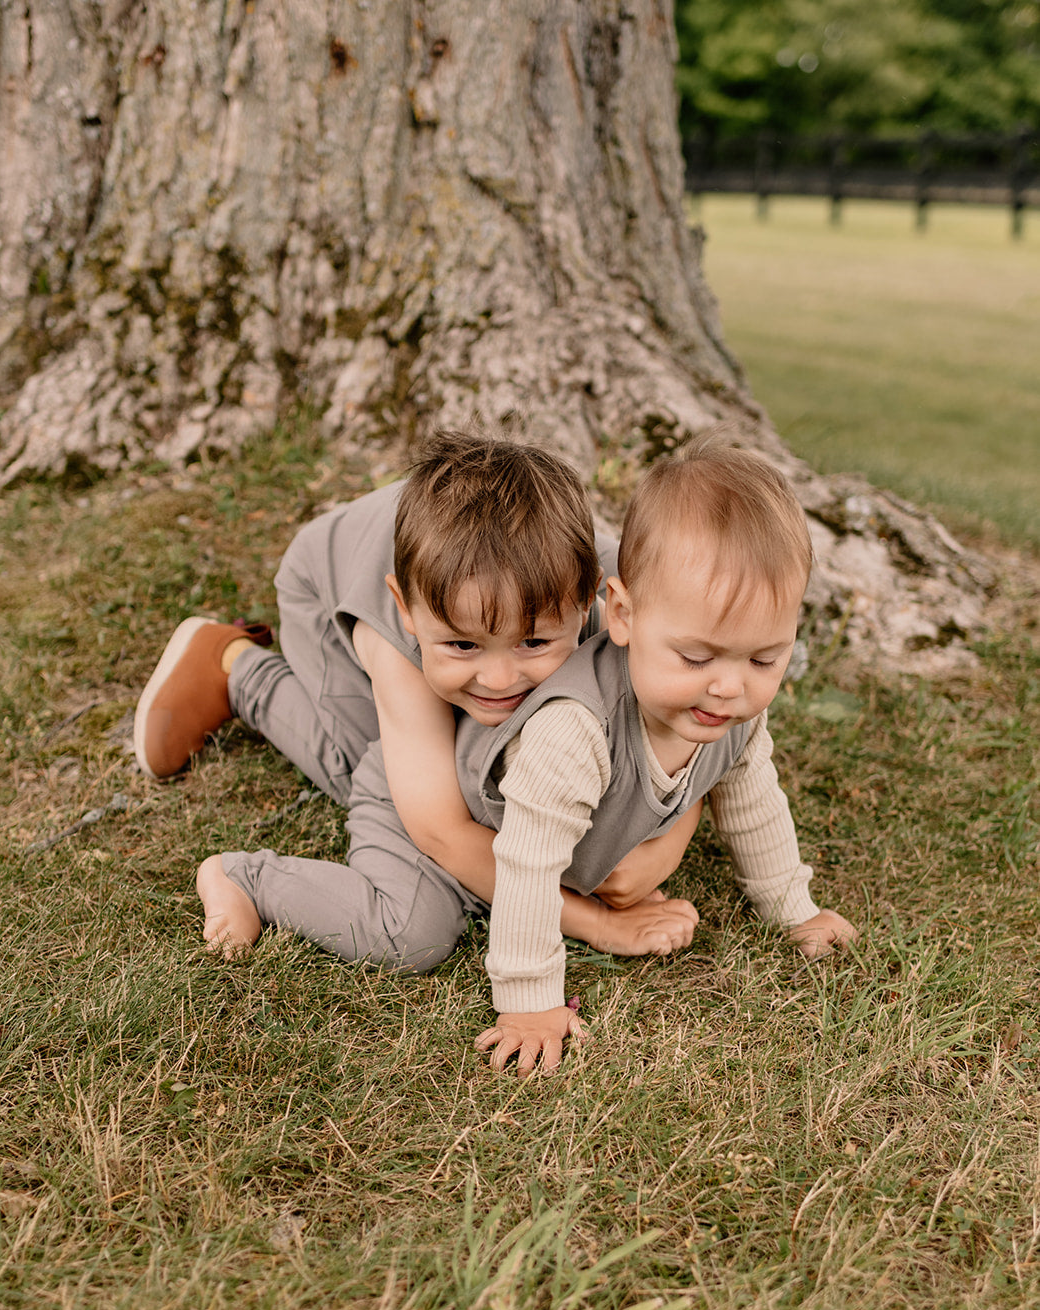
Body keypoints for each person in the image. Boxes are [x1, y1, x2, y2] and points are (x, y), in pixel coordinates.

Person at [140, 431, 698, 959]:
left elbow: (713, 698)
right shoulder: (402, 635)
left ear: (586, 598)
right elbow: (441, 831)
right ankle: (235, 667)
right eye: (463, 646)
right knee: (372, 767)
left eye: (533, 641)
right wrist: (595, 920)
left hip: (462, 578)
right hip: (327, 592)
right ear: (408, 611)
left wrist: (662, 850)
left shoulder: (607, 590)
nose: (499, 679)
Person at [471, 431, 858, 1075]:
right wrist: (529, 1000)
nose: (731, 686)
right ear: (621, 614)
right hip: (486, 832)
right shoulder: (574, 731)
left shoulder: (730, 709)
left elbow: (752, 798)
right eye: (697, 656)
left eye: (765, 657)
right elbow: (528, 864)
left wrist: (794, 910)